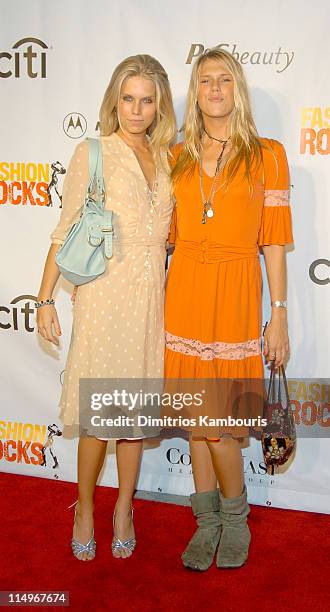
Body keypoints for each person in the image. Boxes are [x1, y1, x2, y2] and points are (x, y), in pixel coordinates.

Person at [36, 54, 176, 561]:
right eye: (127, 98)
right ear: (114, 100)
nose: (136, 110)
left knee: (134, 415)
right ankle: (86, 507)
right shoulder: (92, 152)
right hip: (103, 297)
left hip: (148, 302)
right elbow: (64, 230)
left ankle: (124, 507)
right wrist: (46, 296)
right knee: (99, 417)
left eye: (146, 100)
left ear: (159, 105)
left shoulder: (168, 159)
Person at [165, 48, 293, 571]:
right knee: (199, 421)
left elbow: (274, 243)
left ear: (236, 88)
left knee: (217, 420)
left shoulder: (269, 154)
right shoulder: (175, 154)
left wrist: (279, 312)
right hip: (185, 292)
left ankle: (235, 520)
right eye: (204, 80)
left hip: (237, 292)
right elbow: (163, 238)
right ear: (194, 91)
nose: (214, 89)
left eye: (224, 80)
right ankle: (207, 522)